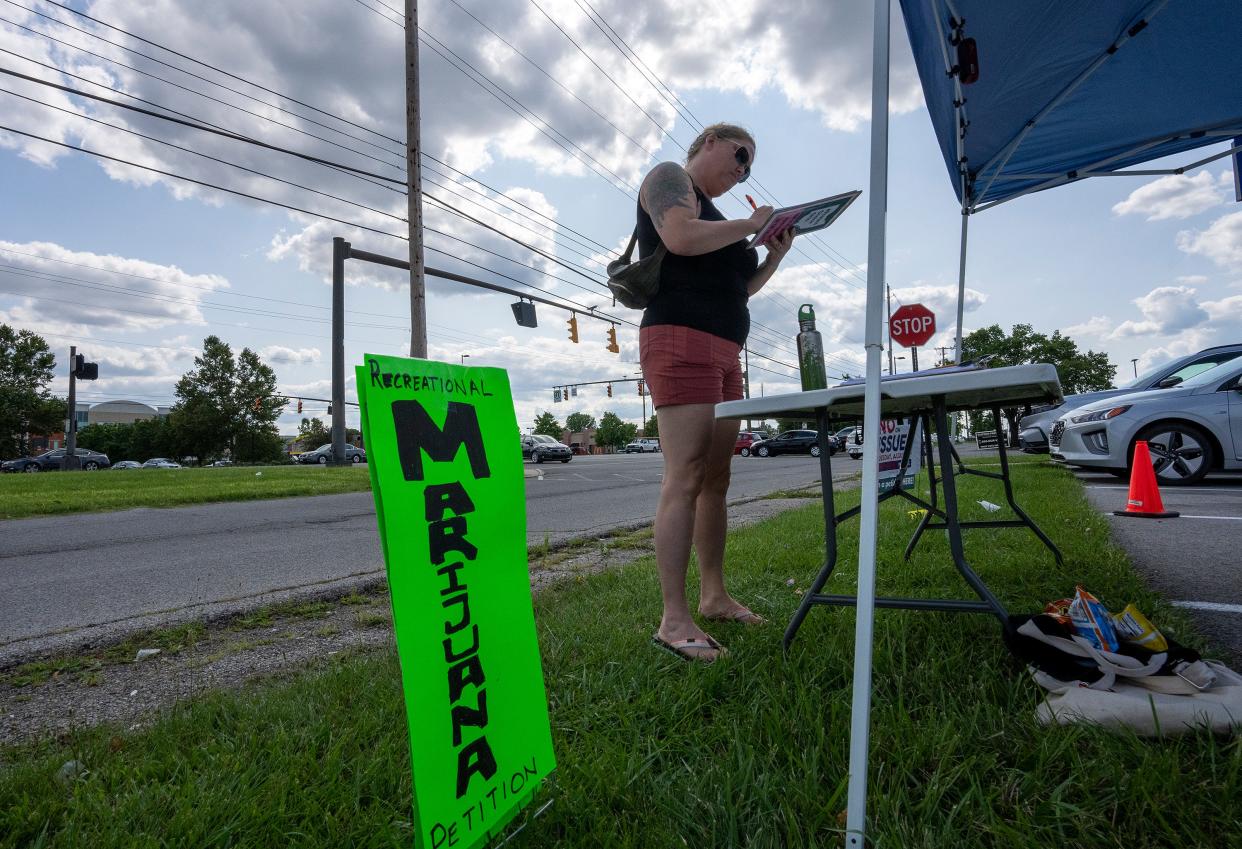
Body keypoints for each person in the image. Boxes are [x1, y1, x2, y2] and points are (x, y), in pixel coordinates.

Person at [637, 123, 795, 663]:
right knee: (684, 476)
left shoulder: (726, 223)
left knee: (716, 479)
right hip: (680, 338)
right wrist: (749, 224)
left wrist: (772, 253)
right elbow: (679, 237)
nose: (743, 168)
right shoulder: (669, 179)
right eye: (739, 154)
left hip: (728, 350)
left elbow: (737, 287)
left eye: (750, 166)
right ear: (710, 141)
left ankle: (714, 595)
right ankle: (673, 620)